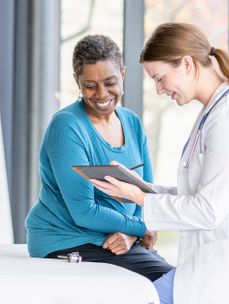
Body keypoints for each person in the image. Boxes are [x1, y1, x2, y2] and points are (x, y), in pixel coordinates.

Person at [91, 23, 229, 304]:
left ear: (187, 64)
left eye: (161, 78)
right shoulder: (213, 114)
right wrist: (144, 188)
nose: (160, 89)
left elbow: (208, 210)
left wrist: (139, 197)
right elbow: (198, 193)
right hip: (215, 270)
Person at [25, 34, 173, 282]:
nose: (101, 94)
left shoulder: (132, 122)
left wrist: (132, 235)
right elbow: (84, 212)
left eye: (110, 82)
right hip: (69, 239)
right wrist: (141, 228)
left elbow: (145, 195)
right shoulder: (67, 127)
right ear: (77, 82)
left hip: (118, 238)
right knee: (171, 283)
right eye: (90, 85)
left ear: (123, 74)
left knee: (186, 281)